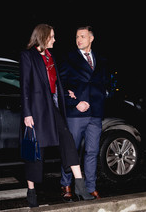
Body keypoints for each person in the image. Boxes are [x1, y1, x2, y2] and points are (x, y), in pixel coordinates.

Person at [20, 24, 94, 207]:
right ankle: (31, 191)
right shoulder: (28, 56)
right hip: (36, 110)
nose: (54, 39)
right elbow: (25, 87)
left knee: (67, 140)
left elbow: (54, 82)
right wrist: (27, 114)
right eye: (52, 36)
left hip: (52, 108)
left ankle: (80, 186)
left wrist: (65, 93)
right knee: (36, 150)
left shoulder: (50, 56)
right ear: (43, 37)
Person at [60, 26, 108, 200]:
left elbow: (103, 83)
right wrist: (74, 102)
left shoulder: (100, 59)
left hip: (95, 112)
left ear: (91, 38)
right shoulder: (69, 58)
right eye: (77, 36)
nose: (78, 39)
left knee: (92, 151)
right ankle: (66, 184)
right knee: (71, 150)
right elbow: (61, 85)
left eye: (82, 36)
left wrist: (103, 97)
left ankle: (91, 186)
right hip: (76, 113)